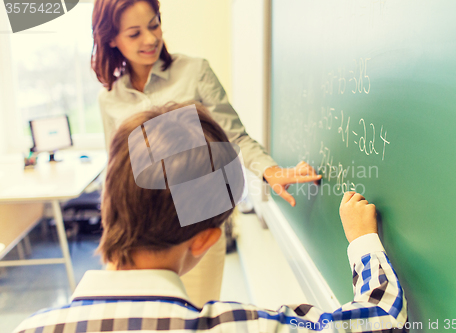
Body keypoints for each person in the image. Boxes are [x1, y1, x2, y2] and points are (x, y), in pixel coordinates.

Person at [14, 103, 408, 333]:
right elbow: (381, 318)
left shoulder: (27, 328)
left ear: (108, 204)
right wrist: (361, 240)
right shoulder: (237, 326)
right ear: (205, 239)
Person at [91, 0, 321, 307]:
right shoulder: (109, 98)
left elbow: (234, 135)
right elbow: (117, 171)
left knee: (195, 315)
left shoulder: (194, 71)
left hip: (197, 225)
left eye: (154, 24)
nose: (150, 39)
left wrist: (270, 171)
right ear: (111, 39)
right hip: (139, 232)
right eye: (134, 33)